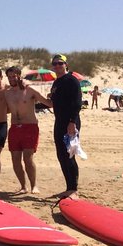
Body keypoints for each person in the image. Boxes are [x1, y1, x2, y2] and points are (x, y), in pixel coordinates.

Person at [4, 66, 53, 194]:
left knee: (28, 158)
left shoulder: (30, 90)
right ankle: (23, 186)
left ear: (19, 76)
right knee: (15, 159)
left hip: (30, 127)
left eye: (14, 76)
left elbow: (48, 103)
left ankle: (34, 186)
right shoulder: (7, 92)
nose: (11, 79)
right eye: (9, 76)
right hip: (14, 128)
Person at [49, 54, 82, 199]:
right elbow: (55, 102)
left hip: (70, 122)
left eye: (60, 63)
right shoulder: (57, 82)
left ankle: (74, 189)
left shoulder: (71, 80)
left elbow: (77, 103)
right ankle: (68, 188)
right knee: (61, 155)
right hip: (59, 122)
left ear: (66, 65)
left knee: (69, 154)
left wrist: (72, 122)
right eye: (54, 64)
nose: (57, 66)